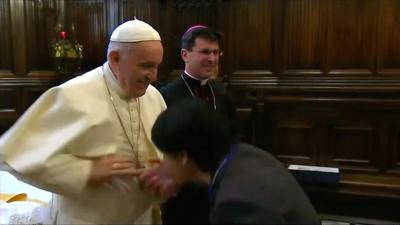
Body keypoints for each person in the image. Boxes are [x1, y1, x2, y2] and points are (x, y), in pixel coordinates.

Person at [0, 19, 173, 224]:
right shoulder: (72, 96)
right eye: (146, 66)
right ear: (115, 58)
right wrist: (85, 171)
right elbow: (14, 156)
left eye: (157, 66)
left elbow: (165, 153)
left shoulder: (154, 97)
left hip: (141, 217)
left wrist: (163, 171)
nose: (153, 76)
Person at [142, 99, 320, 224]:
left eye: (166, 156)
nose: (163, 163)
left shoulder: (236, 205)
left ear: (183, 156)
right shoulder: (247, 154)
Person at [159, 25, 235, 224]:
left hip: (218, 189)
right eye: (205, 52)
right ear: (185, 55)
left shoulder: (222, 94)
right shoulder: (166, 96)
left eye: (216, 52)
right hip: (181, 194)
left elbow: (233, 138)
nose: (212, 58)